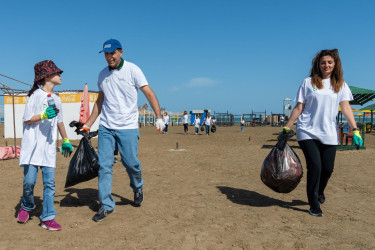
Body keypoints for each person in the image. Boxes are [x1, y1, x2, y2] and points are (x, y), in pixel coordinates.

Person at [81, 39, 165, 222]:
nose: (109, 57)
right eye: (106, 54)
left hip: (127, 126)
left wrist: (159, 117)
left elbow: (149, 93)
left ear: (121, 52)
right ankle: (106, 205)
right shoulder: (102, 74)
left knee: (130, 163)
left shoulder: (133, 70)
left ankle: (137, 187)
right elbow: (99, 102)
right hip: (107, 127)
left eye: (112, 53)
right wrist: (88, 124)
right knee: (104, 166)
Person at [282, 49, 363, 217]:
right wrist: (288, 127)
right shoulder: (308, 82)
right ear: (318, 65)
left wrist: (355, 129)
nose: (326, 65)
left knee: (328, 169)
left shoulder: (340, 84)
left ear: (335, 65)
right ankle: (314, 205)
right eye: (323, 62)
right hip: (307, 131)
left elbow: (346, 107)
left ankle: (319, 191)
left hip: (329, 132)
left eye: (330, 62)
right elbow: (299, 107)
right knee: (315, 167)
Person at [17, 60, 73, 231]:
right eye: (57, 73)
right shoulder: (35, 96)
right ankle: (27, 205)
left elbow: (60, 122)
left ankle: (47, 217)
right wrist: (42, 115)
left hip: (48, 147)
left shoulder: (57, 99)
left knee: (50, 184)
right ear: (47, 76)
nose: (60, 75)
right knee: (29, 182)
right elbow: (26, 119)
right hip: (33, 148)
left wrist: (65, 139)